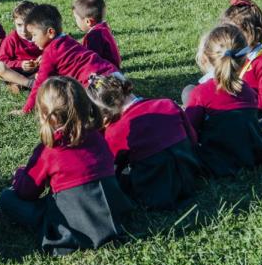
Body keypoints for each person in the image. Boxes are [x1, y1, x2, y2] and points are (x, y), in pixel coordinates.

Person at [0, 76, 133, 255]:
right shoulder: (98, 137)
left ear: (47, 115)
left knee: (7, 198)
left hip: (74, 224)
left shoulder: (49, 150)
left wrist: (21, 174)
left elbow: (26, 192)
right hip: (113, 212)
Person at [86, 73, 201, 209]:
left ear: (104, 113)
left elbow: (113, 169)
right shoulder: (167, 104)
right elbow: (193, 139)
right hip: (191, 176)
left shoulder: (115, 131)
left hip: (154, 195)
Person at [184, 25, 262, 177]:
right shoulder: (248, 91)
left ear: (206, 57)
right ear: (244, 59)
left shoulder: (201, 93)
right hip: (252, 155)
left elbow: (189, 132)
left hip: (216, 162)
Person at [19, 4, 117, 114]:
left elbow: (40, 84)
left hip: (95, 86)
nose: (32, 40)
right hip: (112, 73)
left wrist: (26, 110)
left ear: (50, 32)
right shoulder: (68, 40)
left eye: (34, 35)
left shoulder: (50, 53)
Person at [220, 0, 262, 127]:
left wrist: (237, 99)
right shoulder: (236, 54)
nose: (231, 38)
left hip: (255, 113)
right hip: (234, 104)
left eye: (236, 33)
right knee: (190, 92)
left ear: (255, 33)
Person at [0, 0, 43, 94]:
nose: (23, 30)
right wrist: (20, 64)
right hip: (17, 72)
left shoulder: (42, 36)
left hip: (37, 71)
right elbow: (4, 60)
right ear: (14, 22)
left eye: (28, 25)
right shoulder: (11, 39)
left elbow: (52, 51)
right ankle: (29, 83)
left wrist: (44, 58)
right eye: (19, 25)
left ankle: (20, 85)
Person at [72, 0, 122, 69]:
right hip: (112, 70)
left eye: (76, 18)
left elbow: (90, 61)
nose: (75, 21)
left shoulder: (94, 36)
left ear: (88, 21)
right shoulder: (102, 29)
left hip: (105, 75)